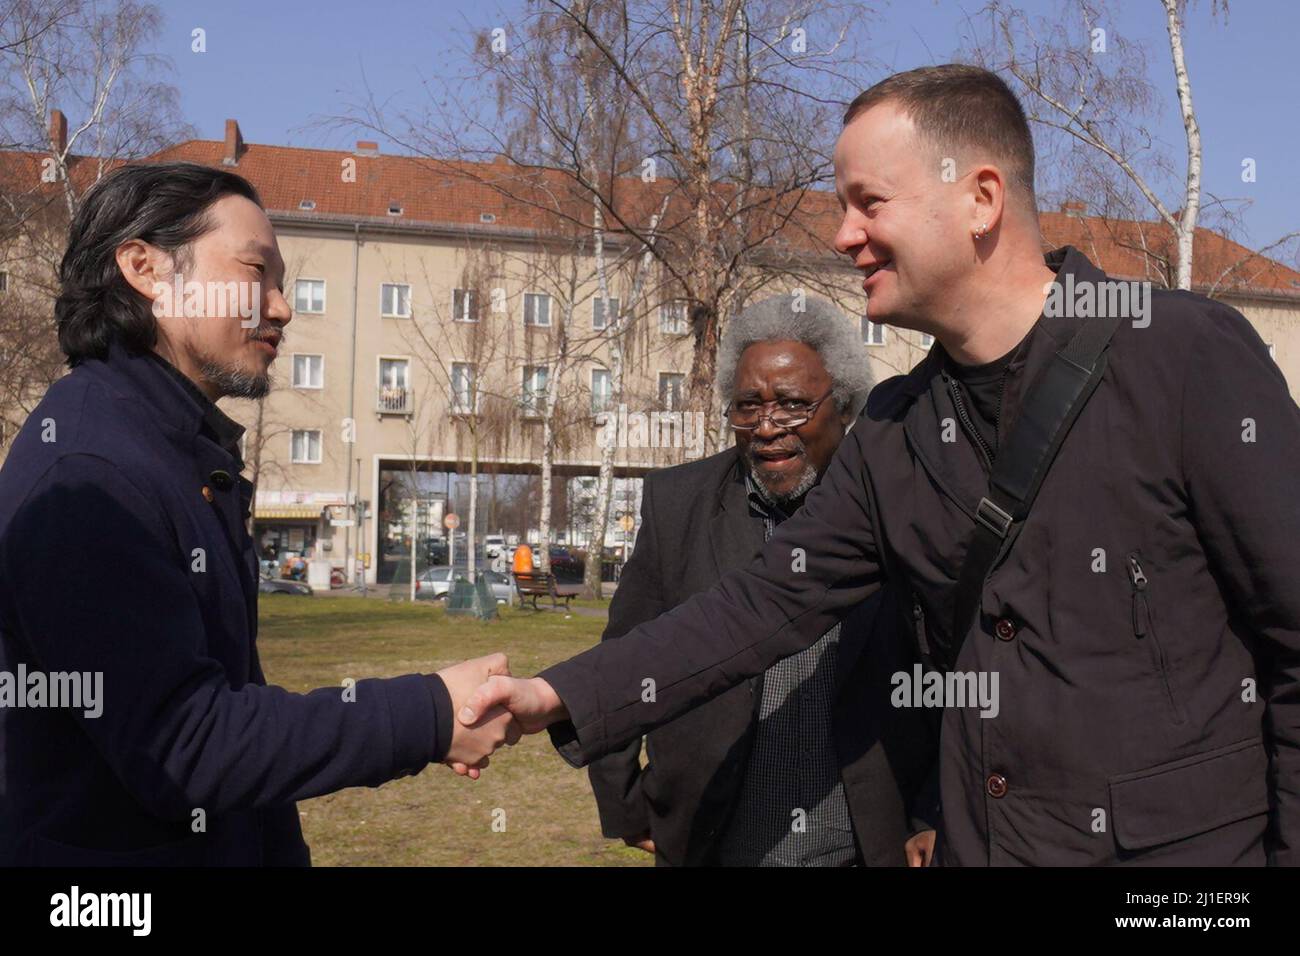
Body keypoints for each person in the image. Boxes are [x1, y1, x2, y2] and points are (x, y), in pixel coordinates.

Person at [461, 64, 1300, 866]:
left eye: (870, 203)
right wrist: (556, 696)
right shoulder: (897, 429)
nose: (843, 235)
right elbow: (757, 605)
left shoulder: (1181, 355)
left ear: (980, 199)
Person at [0, 162, 516, 866]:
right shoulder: (92, 472)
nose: (282, 307)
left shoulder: (165, 451)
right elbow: (184, 746)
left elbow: (229, 716)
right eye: (257, 273)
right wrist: (426, 714)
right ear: (146, 268)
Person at [587, 296, 938, 866]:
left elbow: (951, 672)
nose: (768, 427)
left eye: (794, 405)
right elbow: (624, 660)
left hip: (866, 844)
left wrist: (933, 810)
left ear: (843, 406)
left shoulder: (898, 505)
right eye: (748, 405)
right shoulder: (678, 505)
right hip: (719, 843)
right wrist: (625, 802)